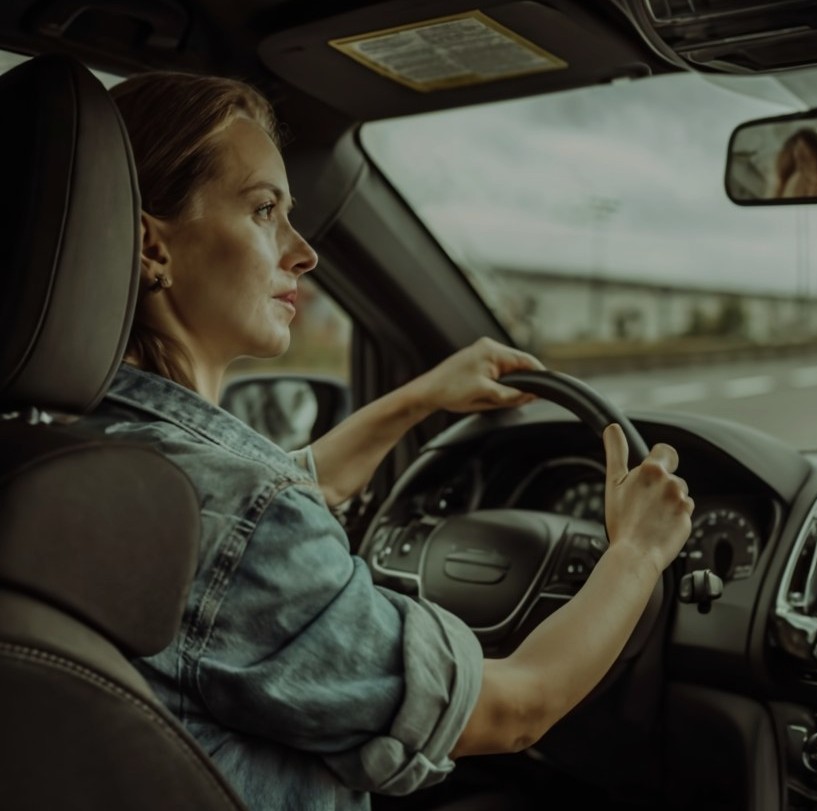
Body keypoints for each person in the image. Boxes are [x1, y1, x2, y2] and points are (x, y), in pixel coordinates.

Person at [80, 70, 695, 810]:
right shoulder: (240, 524)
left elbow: (254, 509)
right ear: (152, 246)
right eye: (265, 209)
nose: (303, 252)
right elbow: (517, 708)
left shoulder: (73, 449)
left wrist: (421, 397)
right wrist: (636, 553)